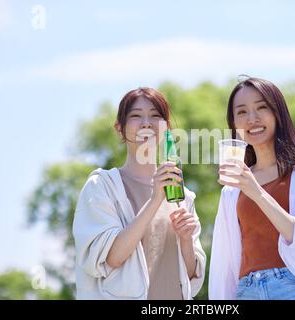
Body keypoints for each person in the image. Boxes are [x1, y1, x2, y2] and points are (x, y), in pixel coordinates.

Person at [209, 77, 295, 300]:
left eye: (262, 107)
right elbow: (225, 264)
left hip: (293, 287)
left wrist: (257, 193)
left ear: (277, 113)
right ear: (234, 123)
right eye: (241, 112)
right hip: (247, 290)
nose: (252, 119)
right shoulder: (232, 188)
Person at [73, 87, 206, 299]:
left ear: (166, 128)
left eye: (155, 116)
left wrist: (186, 240)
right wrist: (154, 201)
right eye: (136, 116)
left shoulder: (183, 196)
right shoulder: (102, 186)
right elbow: (111, 258)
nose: (146, 123)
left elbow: (190, 277)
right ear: (120, 128)